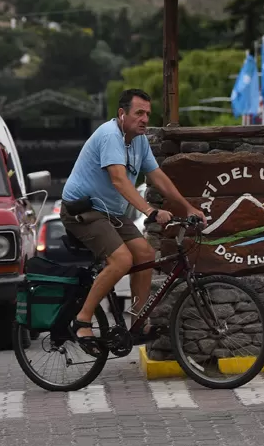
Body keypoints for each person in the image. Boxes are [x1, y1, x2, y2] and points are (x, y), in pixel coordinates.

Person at [60, 88, 207, 344]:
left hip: (111, 213)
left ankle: (137, 321)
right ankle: (82, 320)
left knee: (146, 255)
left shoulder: (139, 140)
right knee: (121, 260)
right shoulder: (110, 135)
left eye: (148, 114)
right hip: (83, 211)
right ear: (122, 114)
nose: (145, 119)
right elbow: (118, 179)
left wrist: (187, 208)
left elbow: (157, 176)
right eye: (139, 113)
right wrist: (150, 211)